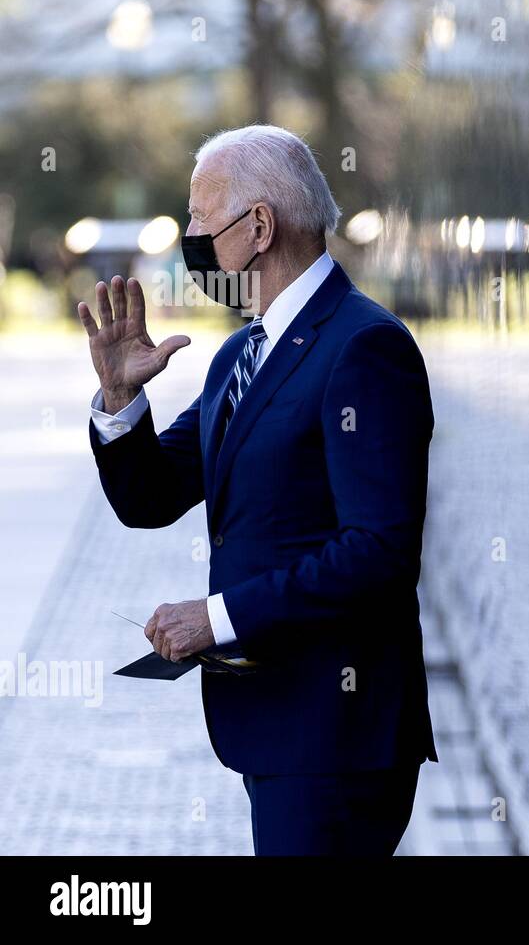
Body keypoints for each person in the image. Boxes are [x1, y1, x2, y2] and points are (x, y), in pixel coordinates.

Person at [79, 124, 438, 855]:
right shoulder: (243, 351)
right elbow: (151, 496)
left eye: (199, 219)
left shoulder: (364, 348)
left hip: (336, 738)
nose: (188, 237)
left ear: (260, 227)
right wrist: (119, 400)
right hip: (276, 727)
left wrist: (219, 616)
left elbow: (380, 551)